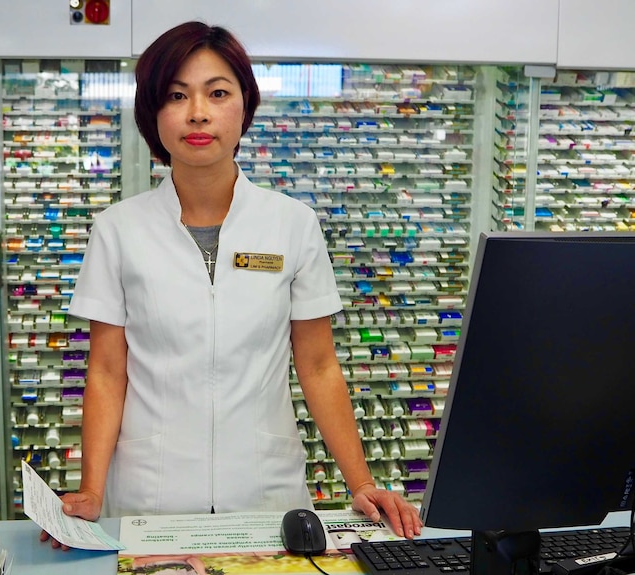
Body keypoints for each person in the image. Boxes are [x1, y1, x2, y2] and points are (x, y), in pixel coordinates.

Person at [40, 20, 423, 547]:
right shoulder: (118, 230)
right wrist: (89, 490)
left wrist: (360, 482)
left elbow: (317, 364)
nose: (198, 111)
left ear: (245, 104)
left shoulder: (291, 224)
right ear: (154, 114)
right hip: (152, 497)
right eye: (177, 95)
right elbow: (107, 370)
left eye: (217, 92)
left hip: (265, 495)